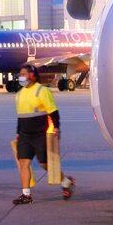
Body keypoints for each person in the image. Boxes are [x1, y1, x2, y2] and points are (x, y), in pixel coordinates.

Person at [12, 65, 75, 205]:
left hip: (40, 134)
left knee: (45, 164)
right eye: (20, 74)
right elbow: (20, 116)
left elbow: (53, 111)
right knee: (24, 163)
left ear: (32, 75)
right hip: (24, 135)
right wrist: (18, 133)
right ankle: (26, 195)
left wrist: (57, 128)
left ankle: (66, 181)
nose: (20, 77)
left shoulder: (42, 91)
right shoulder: (20, 93)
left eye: (23, 74)